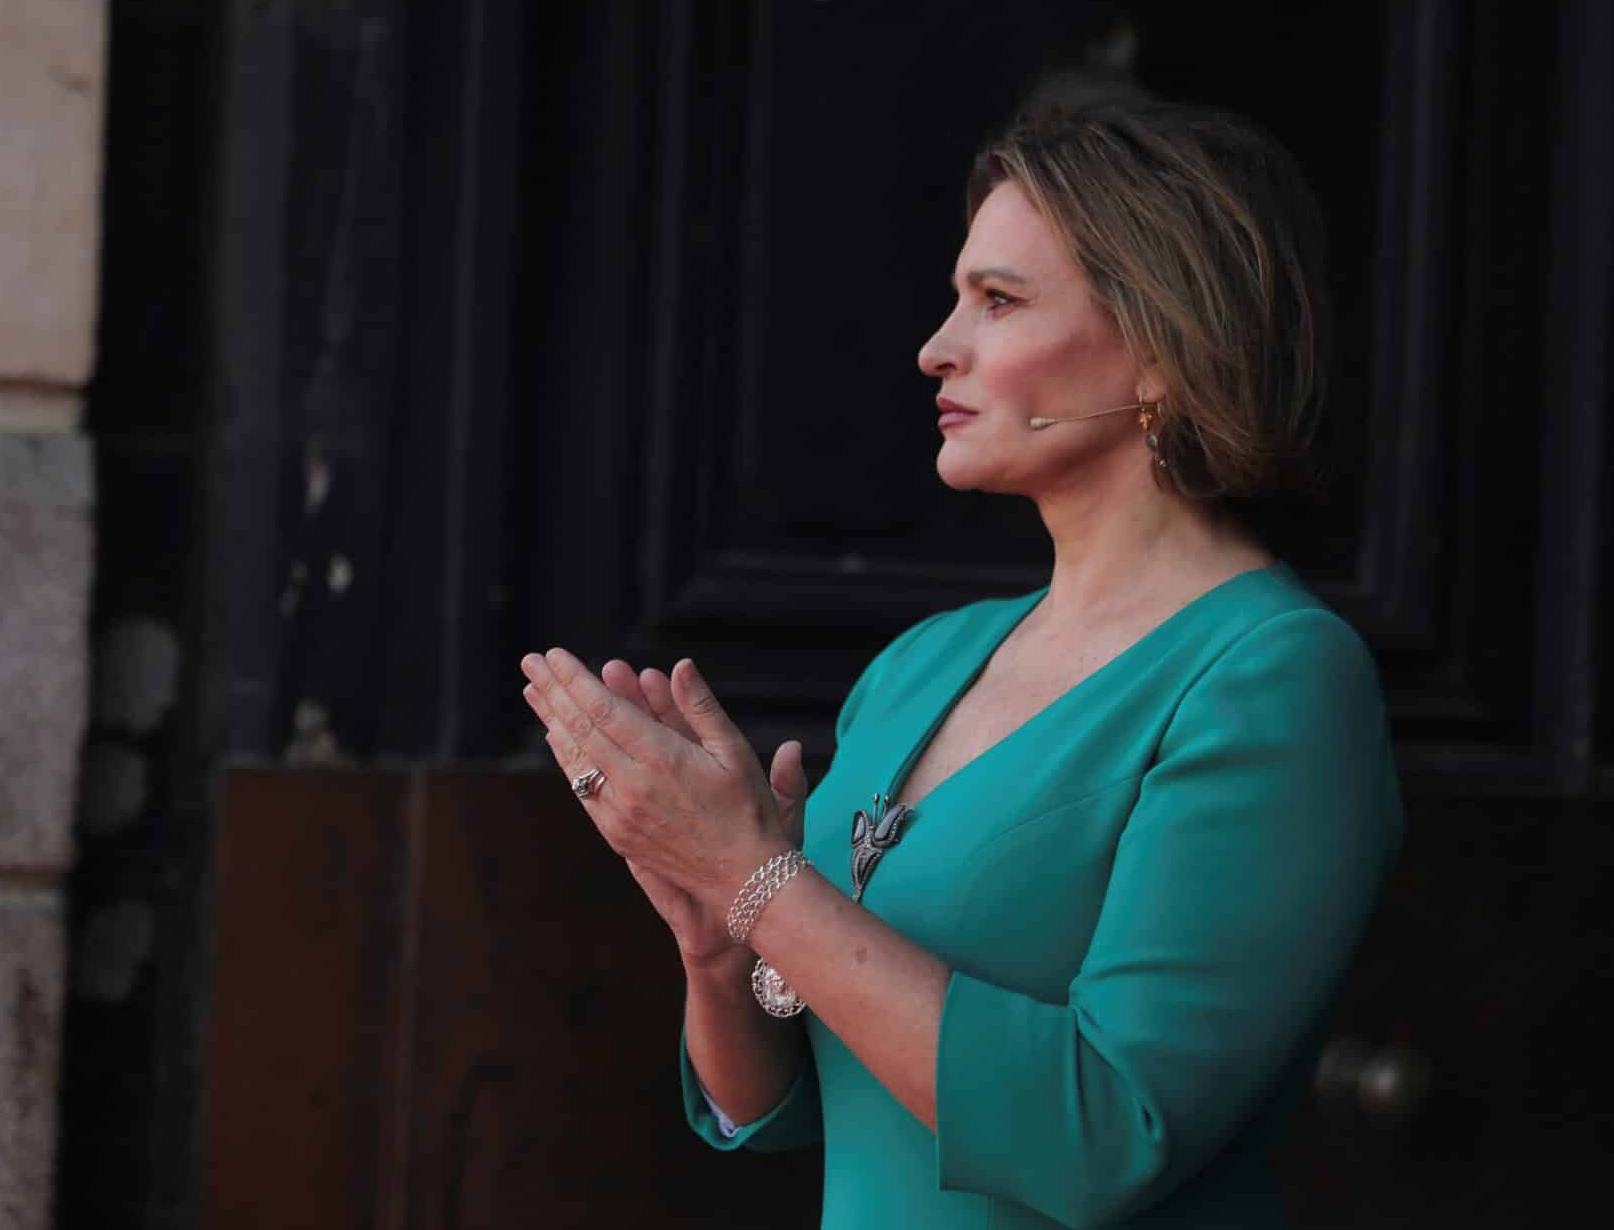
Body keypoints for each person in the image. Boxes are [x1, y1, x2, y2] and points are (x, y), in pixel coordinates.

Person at [519, 99, 1404, 1229]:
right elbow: (791, 1107)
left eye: (997, 301)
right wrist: (713, 938)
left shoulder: (1275, 679)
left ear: (1169, 347)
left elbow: (1107, 1133)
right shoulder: (919, 665)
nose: (937, 347)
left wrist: (757, 880)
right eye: (955, 300)